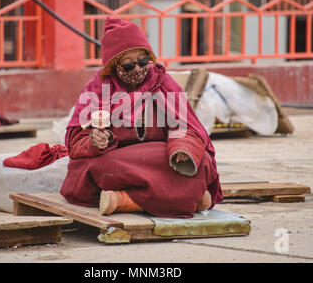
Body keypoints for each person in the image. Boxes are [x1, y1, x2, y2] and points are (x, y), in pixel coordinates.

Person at [60, 17, 223, 218]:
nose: (137, 69)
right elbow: (76, 142)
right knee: (92, 167)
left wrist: (182, 147)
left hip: (161, 156)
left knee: (202, 161)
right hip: (116, 158)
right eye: (128, 65)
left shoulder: (163, 82)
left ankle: (125, 200)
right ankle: (188, 199)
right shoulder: (97, 89)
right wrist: (95, 141)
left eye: (143, 61)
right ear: (113, 66)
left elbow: (187, 127)